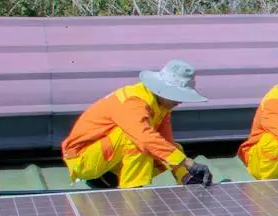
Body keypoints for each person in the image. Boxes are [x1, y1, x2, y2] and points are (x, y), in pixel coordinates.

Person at [62, 60, 213, 189]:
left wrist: (187, 172)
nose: (179, 101)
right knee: (140, 141)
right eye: (178, 96)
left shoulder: (162, 107)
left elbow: (166, 144)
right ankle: (132, 195)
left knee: (173, 150)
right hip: (83, 159)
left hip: (107, 160)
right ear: (165, 91)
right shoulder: (133, 101)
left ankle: (110, 178)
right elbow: (143, 137)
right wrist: (188, 162)